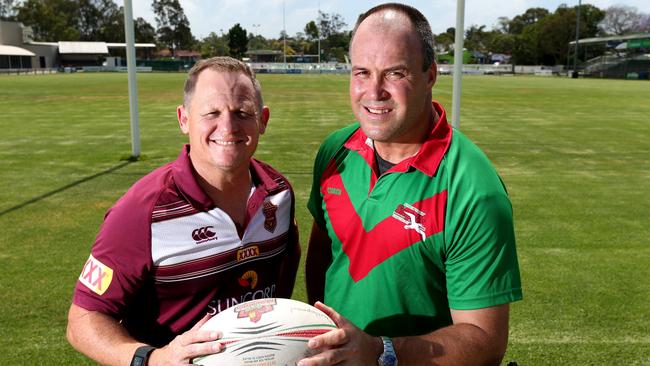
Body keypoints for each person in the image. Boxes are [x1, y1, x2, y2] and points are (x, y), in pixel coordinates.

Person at [301, 3, 522, 365]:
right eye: (361, 72)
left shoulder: (473, 189)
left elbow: (484, 342)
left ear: (430, 74)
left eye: (395, 73)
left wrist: (380, 351)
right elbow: (324, 255)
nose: (374, 91)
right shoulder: (334, 152)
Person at [67, 56, 301, 366]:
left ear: (263, 120)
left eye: (243, 112)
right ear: (184, 119)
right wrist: (153, 360)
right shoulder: (142, 210)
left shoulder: (279, 193)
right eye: (211, 113)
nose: (228, 126)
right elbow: (83, 319)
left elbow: (285, 265)